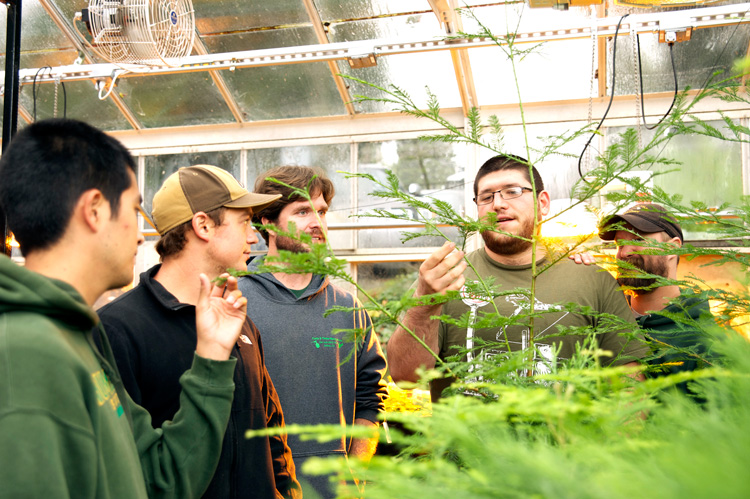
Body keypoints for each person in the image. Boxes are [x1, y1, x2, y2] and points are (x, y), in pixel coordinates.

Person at [0, 119, 248, 498]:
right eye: (133, 210)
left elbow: (162, 480)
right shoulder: (24, 354)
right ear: (95, 210)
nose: (138, 234)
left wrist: (212, 355)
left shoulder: (82, 337)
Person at [97, 165, 301, 498]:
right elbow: (128, 469)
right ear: (203, 225)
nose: (254, 236)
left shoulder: (240, 322)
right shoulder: (116, 330)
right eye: (245, 221)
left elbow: (272, 430)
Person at [387, 154, 648, 400]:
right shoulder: (445, 278)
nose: (498, 204)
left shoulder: (593, 280)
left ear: (542, 202)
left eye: (513, 191)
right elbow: (405, 378)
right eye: (486, 197)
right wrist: (424, 305)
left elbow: (628, 386)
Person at [238, 166, 388, 498]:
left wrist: (357, 474)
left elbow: (371, 400)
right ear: (266, 222)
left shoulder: (348, 309)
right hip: (257, 486)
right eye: (302, 210)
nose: (316, 222)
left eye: (321, 211)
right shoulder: (235, 301)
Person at [598, 203, 716, 389]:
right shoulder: (606, 322)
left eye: (637, 240)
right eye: (620, 244)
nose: (624, 252)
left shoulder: (706, 343)